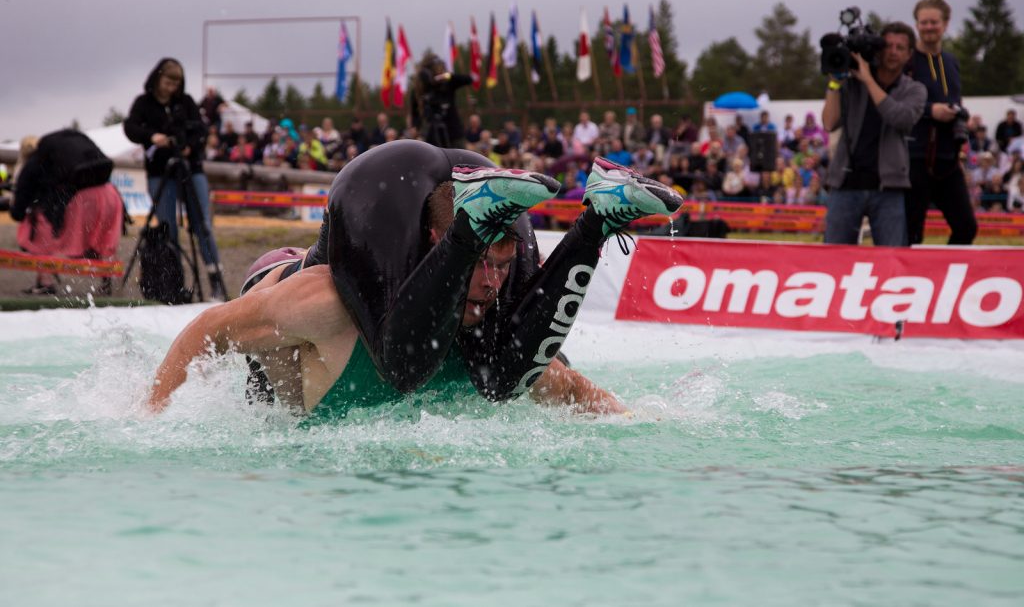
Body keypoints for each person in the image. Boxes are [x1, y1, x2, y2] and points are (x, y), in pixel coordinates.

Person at [146, 140, 683, 417]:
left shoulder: (489, 336)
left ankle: (598, 220)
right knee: (280, 361)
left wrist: (635, 421)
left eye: (502, 265)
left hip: (415, 288)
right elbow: (206, 331)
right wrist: (148, 416)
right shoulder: (323, 303)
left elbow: (567, 387)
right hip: (291, 278)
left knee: (512, 372)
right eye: (482, 266)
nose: (493, 284)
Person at [123, 57, 227, 301]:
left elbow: (200, 129)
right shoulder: (143, 103)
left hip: (190, 168)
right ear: (158, 78)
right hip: (160, 172)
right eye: (168, 82)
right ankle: (174, 283)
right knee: (168, 229)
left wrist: (189, 144)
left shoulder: (186, 102)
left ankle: (216, 281)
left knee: (202, 225)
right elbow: (130, 128)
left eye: (175, 83)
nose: (171, 88)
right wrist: (152, 137)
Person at [821, 22, 926, 246]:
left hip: (889, 186)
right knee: (833, 260)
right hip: (846, 182)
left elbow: (900, 118)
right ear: (879, 48)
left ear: (909, 55)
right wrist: (834, 83)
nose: (893, 52)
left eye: (900, 47)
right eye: (888, 46)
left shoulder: (914, 90)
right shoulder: (852, 83)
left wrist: (868, 79)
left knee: (891, 261)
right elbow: (829, 123)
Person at [9, 130, 123, 295]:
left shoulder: (35, 162)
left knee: (42, 230)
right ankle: (106, 281)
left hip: (83, 199)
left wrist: (16, 212)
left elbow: (22, 200)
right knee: (102, 237)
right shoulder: (69, 155)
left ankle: (45, 282)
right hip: (110, 194)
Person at [905, 0, 977, 245]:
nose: (928, 27)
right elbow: (895, 101)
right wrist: (929, 111)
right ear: (916, 25)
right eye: (923, 22)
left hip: (948, 158)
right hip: (915, 157)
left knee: (966, 227)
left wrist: (960, 116)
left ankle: (948, 278)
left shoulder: (951, 61)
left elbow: (955, 98)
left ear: (945, 24)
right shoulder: (907, 61)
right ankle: (910, 281)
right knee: (912, 233)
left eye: (933, 22)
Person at [410, 56, 473, 148]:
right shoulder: (421, 89)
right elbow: (415, 112)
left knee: (459, 158)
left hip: (453, 131)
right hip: (433, 133)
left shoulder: (447, 83)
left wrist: (448, 77)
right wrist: (416, 127)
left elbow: (468, 79)